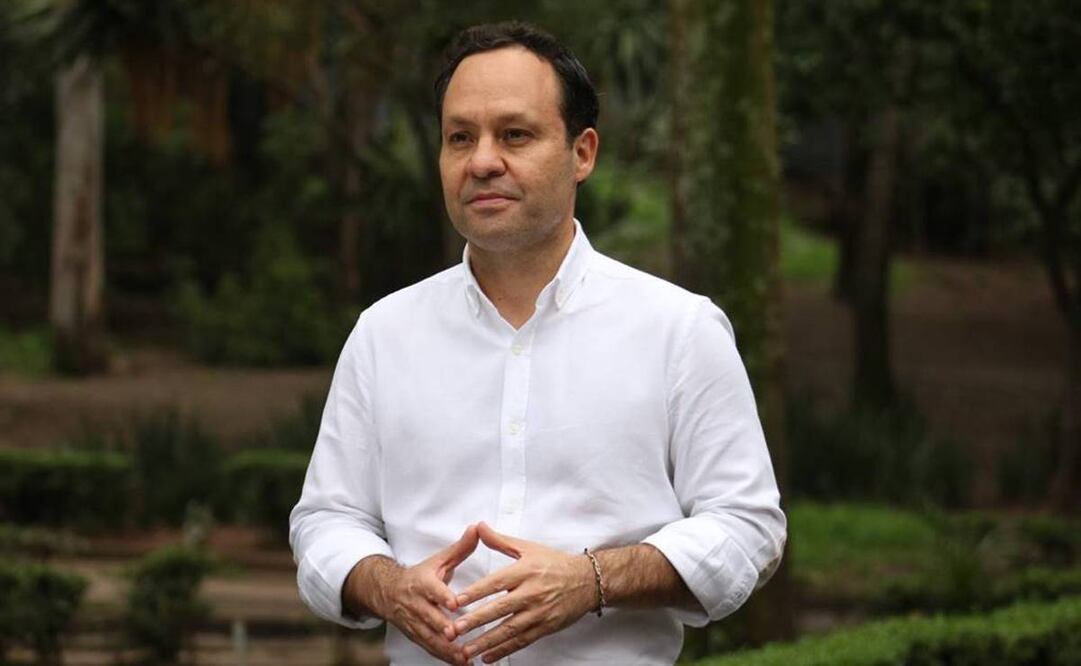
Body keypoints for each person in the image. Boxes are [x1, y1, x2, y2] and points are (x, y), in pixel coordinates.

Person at [290, 21, 785, 666]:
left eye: (515, 134)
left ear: (583, 153)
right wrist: (388, 588)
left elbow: (748, 526)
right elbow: (325, 521)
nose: (482, 160)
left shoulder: (678, 330)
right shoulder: (384, 334)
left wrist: (592, 581)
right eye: (459, 138)